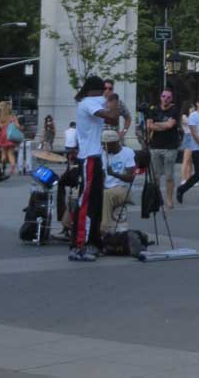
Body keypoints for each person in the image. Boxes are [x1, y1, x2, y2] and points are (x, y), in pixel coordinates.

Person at [69, 76, 119, 261]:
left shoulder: (93, 101)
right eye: (105, 88)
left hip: (96, 157)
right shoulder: (88, 103)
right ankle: (78, 246)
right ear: (96, 89)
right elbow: (113, 118)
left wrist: (110, 101)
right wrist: (113, 100)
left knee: (96, 203)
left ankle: (92, 242)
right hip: (88, 158)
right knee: (85, 203)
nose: (107, 91)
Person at [146, 88, 180, 210]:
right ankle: (156, 199)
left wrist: (157, 124)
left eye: (168, 97)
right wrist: (163, 125)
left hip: (170, 147)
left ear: (171, 99)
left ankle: (169, 200)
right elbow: (149, 125)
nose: (165, 99)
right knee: (155, 176)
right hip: (155, 147)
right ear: (160, 97)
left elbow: (170, 125)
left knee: (169, 176)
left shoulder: (174, 110)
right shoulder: (154, 110)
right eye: (163, 96)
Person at [100, 127, 136, 233]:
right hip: (108, 188)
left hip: (124, 188)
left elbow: (131, 177)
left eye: (105, 144)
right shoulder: (103, 154)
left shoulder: (128, 152)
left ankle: (103, 229)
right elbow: (102, 176)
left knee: (107, 194)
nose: (103, 147)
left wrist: (114, 174)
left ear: (114, 143)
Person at [0, 101, 21, 176]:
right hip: (11, 136)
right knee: (11, 153)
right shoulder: (13, 117)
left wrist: (4, 125)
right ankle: (13, 167)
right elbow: (18, 126)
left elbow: (0, 126)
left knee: (3, 153)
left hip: (3, 135)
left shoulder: (1, 117)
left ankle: (3, 167)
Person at [180, 105, 195, 183]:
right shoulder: (184, 116)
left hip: (193, 137)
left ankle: (189, 178)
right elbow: (191, 124)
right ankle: (183, 179)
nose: (193, 109)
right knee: (186, 160)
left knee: (190, 160)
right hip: (188, 136)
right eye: (191, 107)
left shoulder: (190, 116)